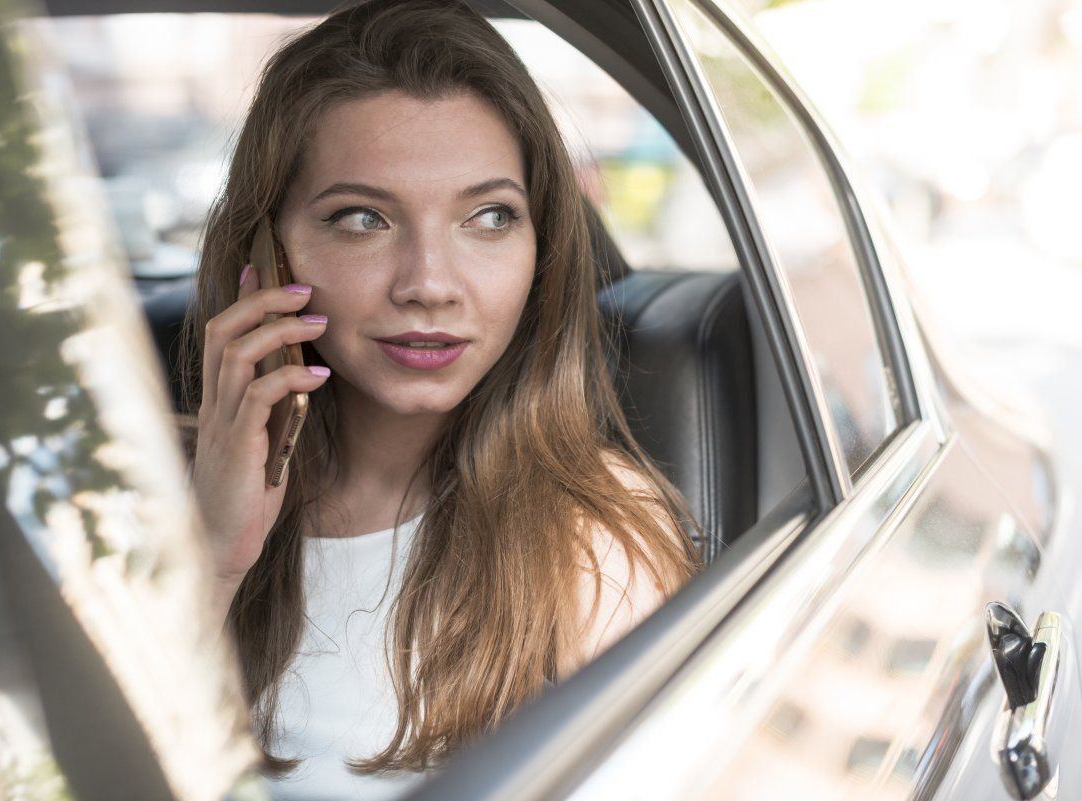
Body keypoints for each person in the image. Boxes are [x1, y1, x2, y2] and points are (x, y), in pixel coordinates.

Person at [178, 1, 700, 798]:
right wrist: (211, 557)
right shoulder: (151, 494)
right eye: (363, 218)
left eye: (488, 216)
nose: (428, 282)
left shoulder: (592, 543)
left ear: (541, 244)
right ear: (267, 250)